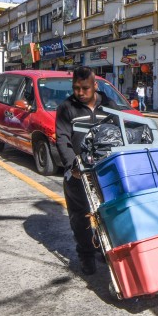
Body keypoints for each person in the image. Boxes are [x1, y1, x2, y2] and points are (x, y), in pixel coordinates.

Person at [55, 66, 117, 275]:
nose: (80, 93)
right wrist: (73, 165)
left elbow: (120, 132)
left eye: (85, 88)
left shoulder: (108, 104)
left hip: (106, 170)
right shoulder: (66, 107)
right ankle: (86, 256)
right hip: (78, 172)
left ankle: (104, 248)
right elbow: (62, 139)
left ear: (95, 86)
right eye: (76, 88)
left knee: (110, 214)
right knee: (80, 217)